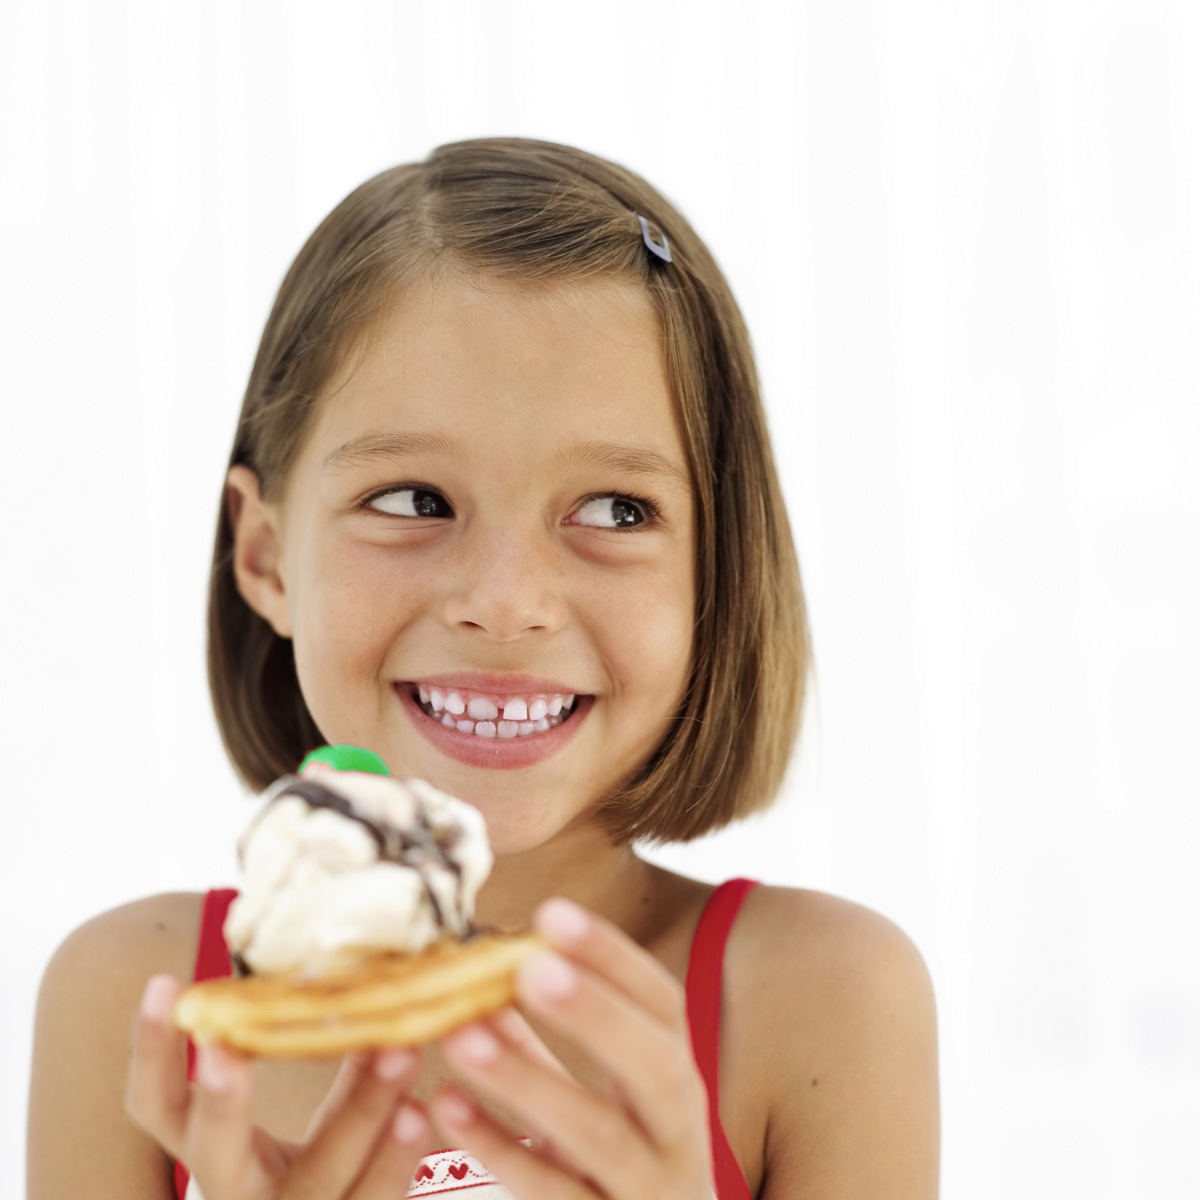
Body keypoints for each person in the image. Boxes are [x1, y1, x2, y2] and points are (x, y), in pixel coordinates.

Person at [27, 137, 939, 1199]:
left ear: (716, 571)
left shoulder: (826, 1000)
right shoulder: (133, 1002)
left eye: (614, 511)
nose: (507, 603)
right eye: (415, 501)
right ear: (266, 556)